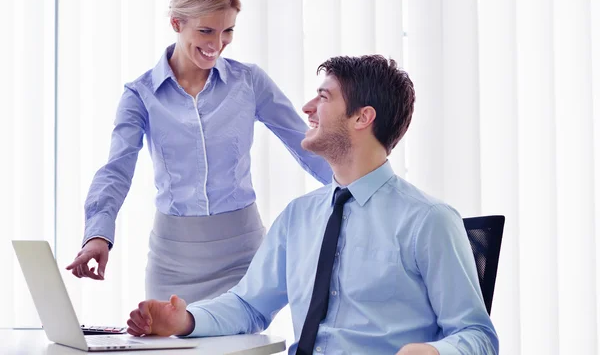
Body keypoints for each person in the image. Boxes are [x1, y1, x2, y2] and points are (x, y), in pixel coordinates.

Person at [125, 55, 499, 355]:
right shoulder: (298, 217)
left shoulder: (428, 221)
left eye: (323, 97)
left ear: (362, 117)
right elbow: (248, 305)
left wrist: (432, 352)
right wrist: (185, 320)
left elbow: (477, 336)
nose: (307, 108)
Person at [65, 0, 332, 304]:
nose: (217, 44)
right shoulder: (140, 95)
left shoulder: (249, 82)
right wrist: (97, 236)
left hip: (243, 256)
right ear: (177, 23)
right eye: (206, 30)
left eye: (228, 31)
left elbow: (306, 144)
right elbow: (116, 170)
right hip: (172, 261)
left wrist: (362, 190)